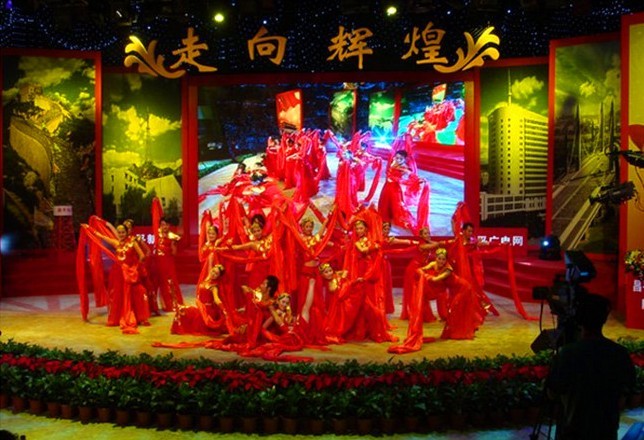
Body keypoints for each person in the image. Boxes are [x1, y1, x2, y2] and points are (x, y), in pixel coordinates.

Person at [546, 293, 636, 440]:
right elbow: (627, 389)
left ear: (579, 319)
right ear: (604, 318)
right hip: (607, 431)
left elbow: (552, 392)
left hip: (573, 431)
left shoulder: (568, 354)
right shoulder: (619, 353)